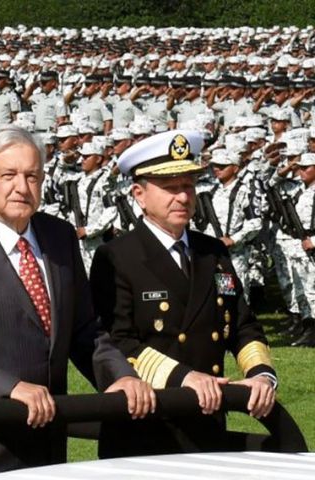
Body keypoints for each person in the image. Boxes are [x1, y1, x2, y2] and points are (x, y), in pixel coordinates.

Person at [0, 124, 155, 479]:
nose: (22, 188)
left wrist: (120, 377)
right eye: (8, 175)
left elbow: (85, 331)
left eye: (32, 176)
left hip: (48, 445)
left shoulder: (59, 237)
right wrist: (7, 388)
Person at [90, 130, 277, 458]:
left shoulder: (213, 251)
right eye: (170, 188)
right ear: (139, 194)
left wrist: (261, 375)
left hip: (208, 422)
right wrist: (185, 377)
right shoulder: (117, 257)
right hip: (146, 426)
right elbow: (118, 342)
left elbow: (242, 325)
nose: (183, 197)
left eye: (188, 186)